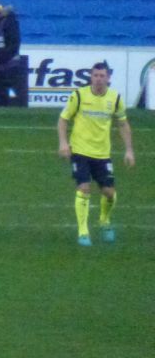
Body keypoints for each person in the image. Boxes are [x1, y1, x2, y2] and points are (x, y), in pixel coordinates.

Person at [57, 62, 136, 246]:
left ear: (108, 78)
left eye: (102, 76)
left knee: (109, 192)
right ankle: (83, 231)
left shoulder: (115, 99)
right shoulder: (79, 95)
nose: (99, 79)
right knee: (84, 188)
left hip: (102, 153)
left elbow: (123, 124)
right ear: (91, 77)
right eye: (95, 76)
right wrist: (63, 142)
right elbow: (63, 120)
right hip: (80, 150)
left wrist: (129, 150)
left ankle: (104, 220)